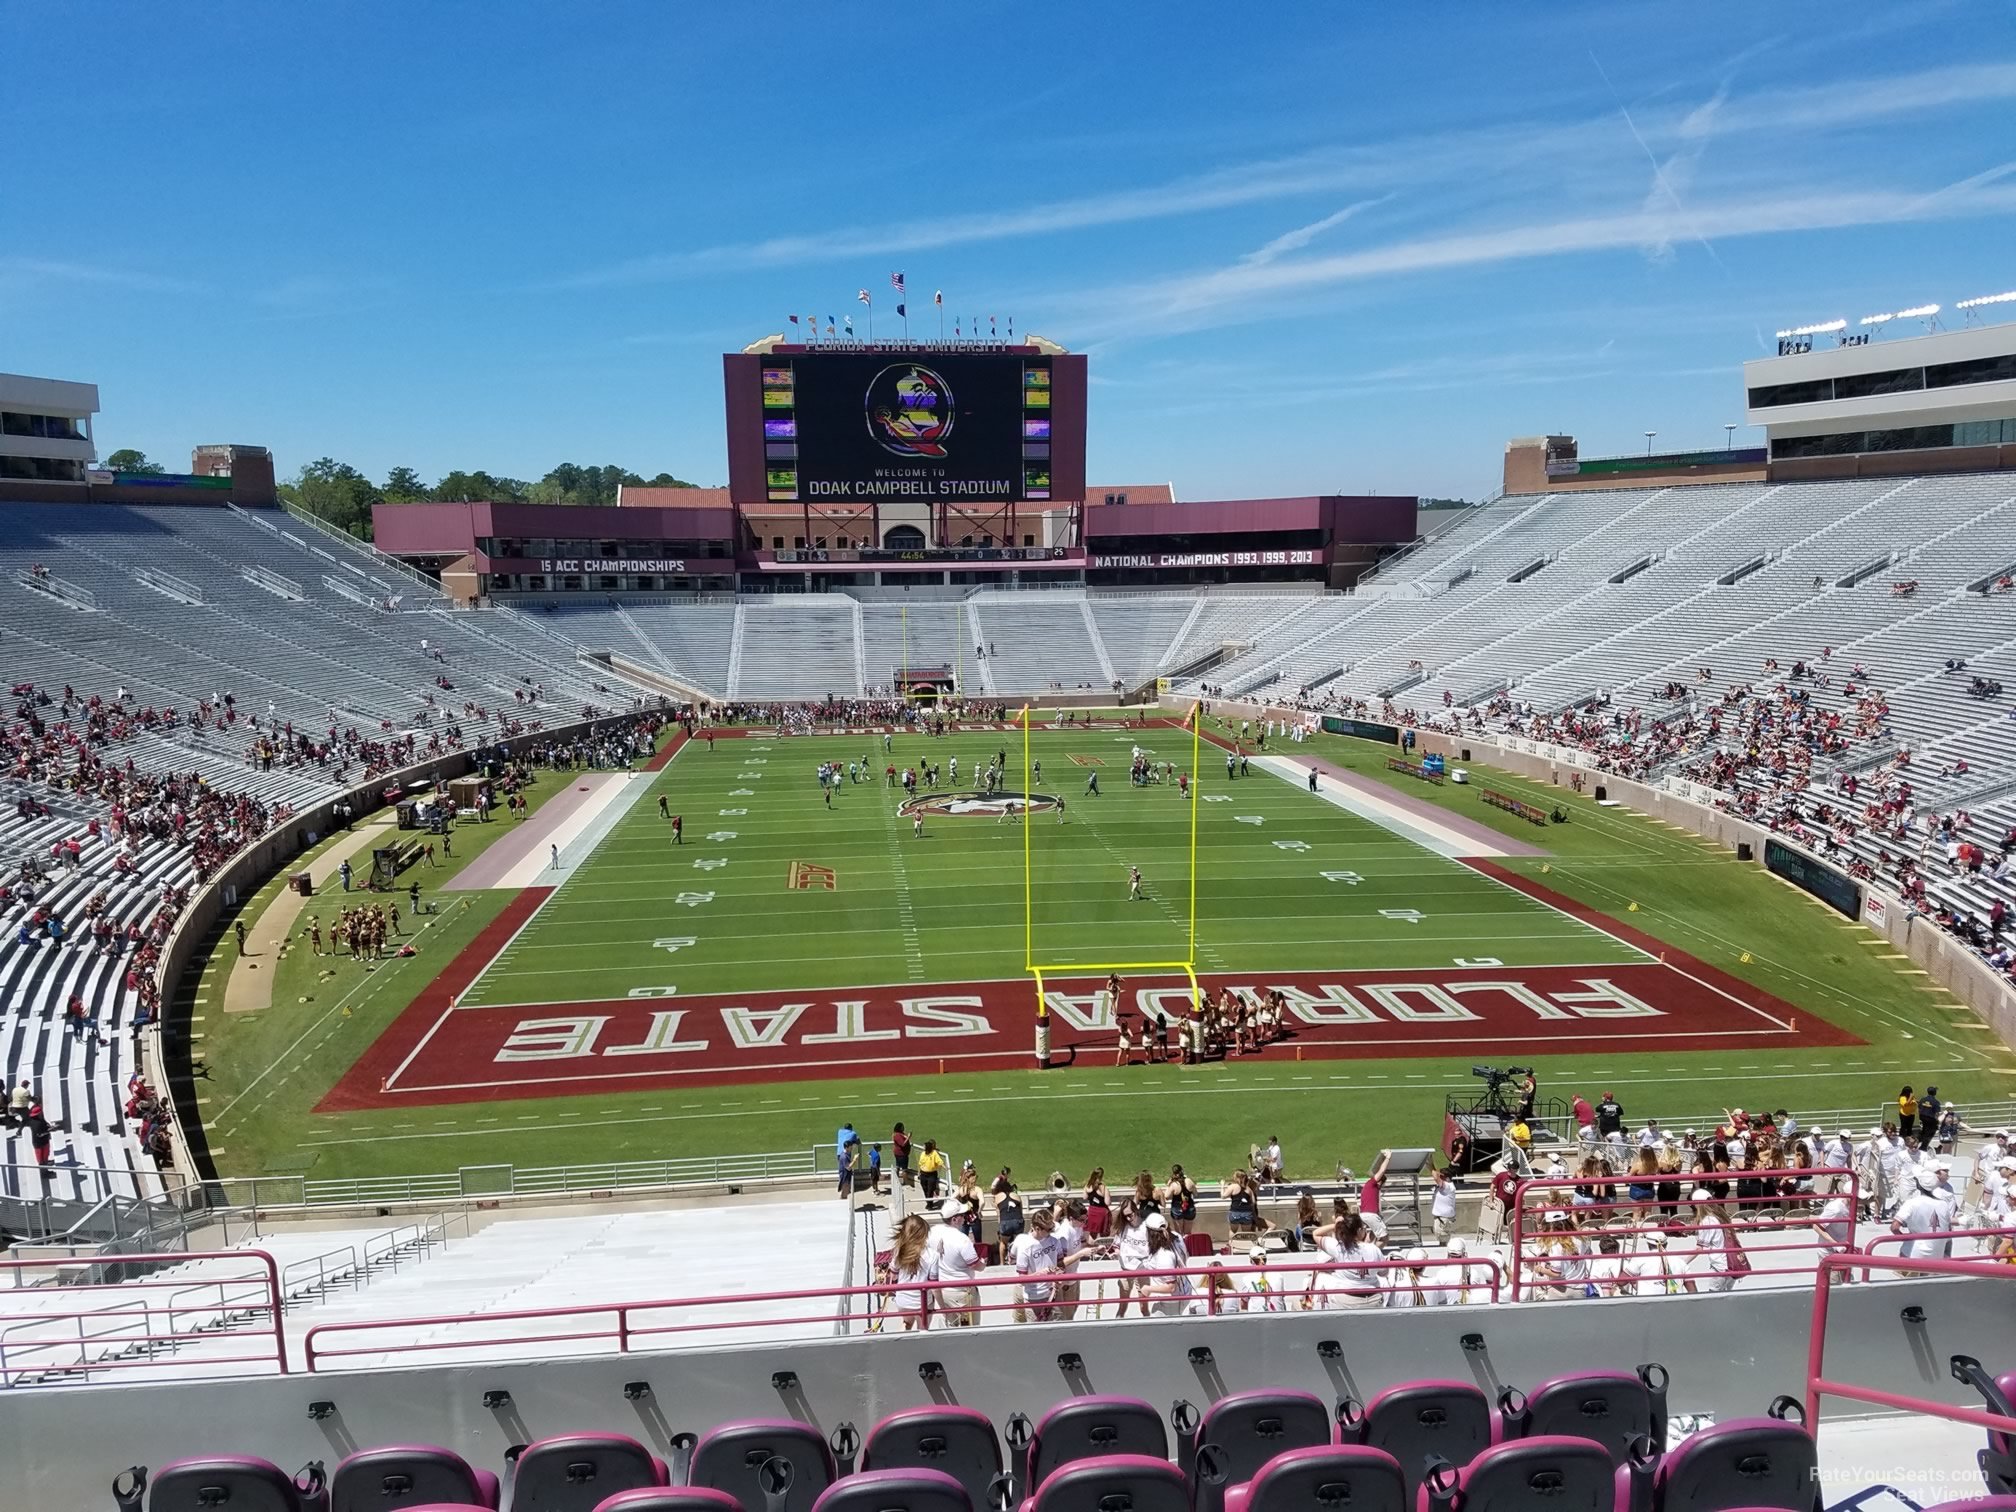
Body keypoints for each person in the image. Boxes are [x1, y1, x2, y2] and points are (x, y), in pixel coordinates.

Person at [926, 1200, 981, 1327]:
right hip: (962, 1293)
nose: (965, 1217)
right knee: (969, 1330)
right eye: (962, 1215)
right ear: (955, 1219)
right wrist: (983, 1264)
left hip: (944, 1291)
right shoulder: (962, 1239)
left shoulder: (933, 1231)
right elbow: (975, 1265)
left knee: (951, 1328)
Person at [881, 1214, 937, 1332]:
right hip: (922, 1301)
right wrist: (943, 1306)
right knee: (923, 1329)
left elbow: (894, 1273)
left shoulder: (899, 1251)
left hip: (903, 1299)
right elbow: (934, 1286)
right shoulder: (932, 1255)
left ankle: (900, 1344)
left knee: (906, 1323)